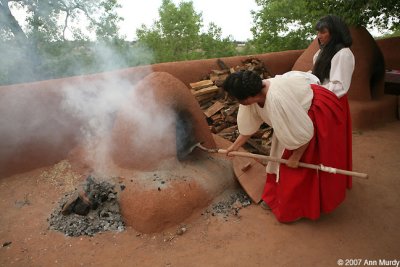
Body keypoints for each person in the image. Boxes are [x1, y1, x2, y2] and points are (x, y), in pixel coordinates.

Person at [223, 70, 352, 222]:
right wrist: (235, 147)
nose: (237, 102)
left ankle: (297, 208)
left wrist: (296, 157)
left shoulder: (277, 99)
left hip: (315, 112)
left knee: (298, 164)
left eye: (237, 98)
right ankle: (275, 196)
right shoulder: (252, 93)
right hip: (292, 117)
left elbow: (304, 134)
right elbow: (249, 125)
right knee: (280, 155)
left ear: (247, 97)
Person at [312, 14, 355, 98]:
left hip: (331, 101)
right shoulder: (321, 52)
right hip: (319, 95)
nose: (319, 36)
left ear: (335, 33)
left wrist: (313, 90)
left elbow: (339, 87)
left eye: (323, 32)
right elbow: (318, 77)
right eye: (318, 32)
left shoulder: (343, 54)